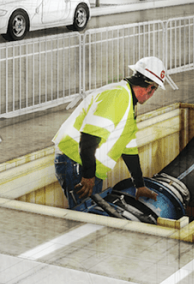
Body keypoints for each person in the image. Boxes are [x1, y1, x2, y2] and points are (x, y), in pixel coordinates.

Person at [52, 56, 166, 209]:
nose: (152, 95)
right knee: (85, 219)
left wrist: (139, 185)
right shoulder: (117, 96)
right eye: (154, 90)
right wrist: (88, 175)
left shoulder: (128, 102)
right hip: (76, 162)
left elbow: (129, 148)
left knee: (90, 217)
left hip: (83, 164)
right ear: (150, 87)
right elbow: (89, 137)